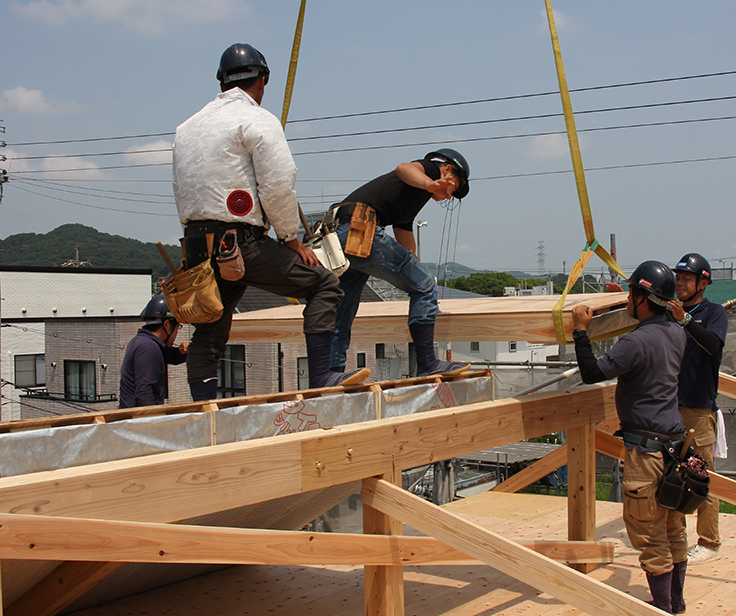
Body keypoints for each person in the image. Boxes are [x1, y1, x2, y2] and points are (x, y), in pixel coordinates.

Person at [172, 43, 369, 400]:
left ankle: (203, 408)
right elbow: (278, 184)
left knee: (211, 323)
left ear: (222, 84)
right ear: (263, 80)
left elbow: (181, 187)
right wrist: (290, 238)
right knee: (324, 284)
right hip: (240, 243)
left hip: (198, 246)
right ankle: (323, 374)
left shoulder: (186, 128)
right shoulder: (257, 119)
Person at [571, 261, 689, 614]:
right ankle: (677, 600)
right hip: (675, 447)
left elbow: (591, 373)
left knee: (646, 529)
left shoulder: (635, 342)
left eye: (631, 294)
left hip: (647, 453)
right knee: (673, 526)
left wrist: (581, 330)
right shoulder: (676, 332)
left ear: (642, 297)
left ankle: (664, 609)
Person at [327, 149, 473, 377]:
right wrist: (429, 184)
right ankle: (427, 364)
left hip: (343, 236)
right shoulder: (430, 170)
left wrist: (420, 283)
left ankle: (332, 373)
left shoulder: (412, 195)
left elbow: (403, 230)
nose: (449, 194)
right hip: (362, 228)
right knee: (425, 285)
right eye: (454, 185)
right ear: (447, 169)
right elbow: (403, 168)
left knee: (344, 310)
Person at [668, 253, 729, 566]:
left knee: (702, 474)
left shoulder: (713, 313)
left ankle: (709, 542)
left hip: (698, 406)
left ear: (703, 284)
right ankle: (676, 537)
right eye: (678, 278)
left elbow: (712, 345)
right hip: (669, 406)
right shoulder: (670, 312)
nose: (680, 284)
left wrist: (685, 320)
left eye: (687, 279)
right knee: (670, 474)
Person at [119, 293, 188, 408]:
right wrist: (152, 421)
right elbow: (144, 391)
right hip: (138, 421)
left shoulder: (143, 342)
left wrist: (182, 352)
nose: (176, 333)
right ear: (166, 324)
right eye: (177, 327)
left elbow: (169, 355)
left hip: (132, 419)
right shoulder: (148, 347)